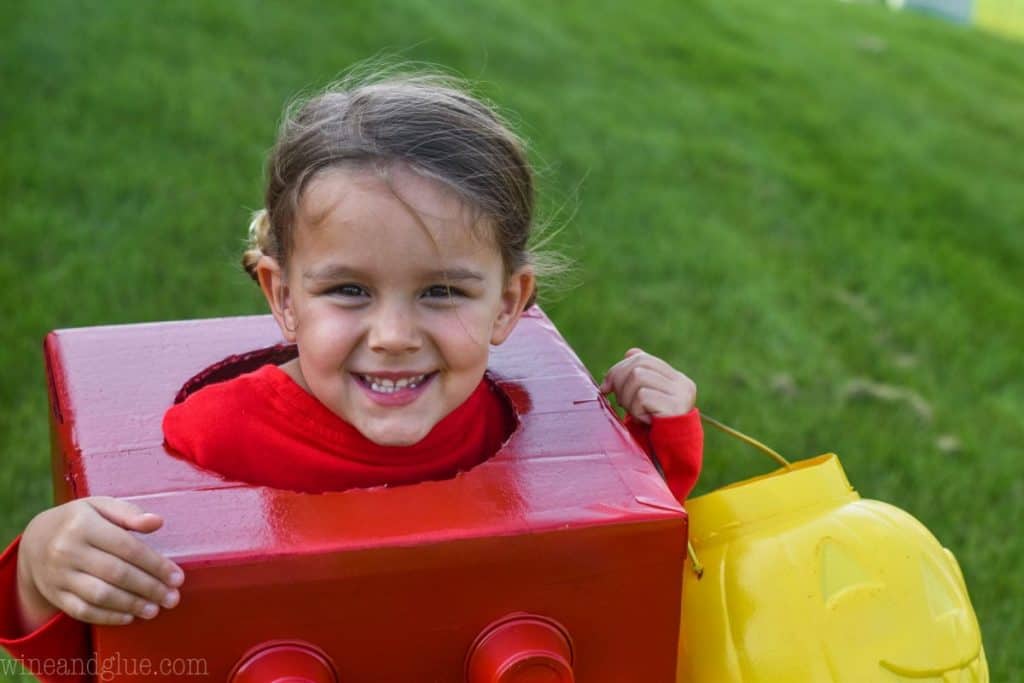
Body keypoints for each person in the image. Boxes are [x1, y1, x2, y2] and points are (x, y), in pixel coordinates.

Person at [0, 69, 702, 680]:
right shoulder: (212, 435)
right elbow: (92, 652)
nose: (393, 337)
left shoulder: (501, 426)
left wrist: (658, 436)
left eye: (442, 292)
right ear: (282, 297)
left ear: (508, 304)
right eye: (349, 291)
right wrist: (40, 567)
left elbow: (611, 565)